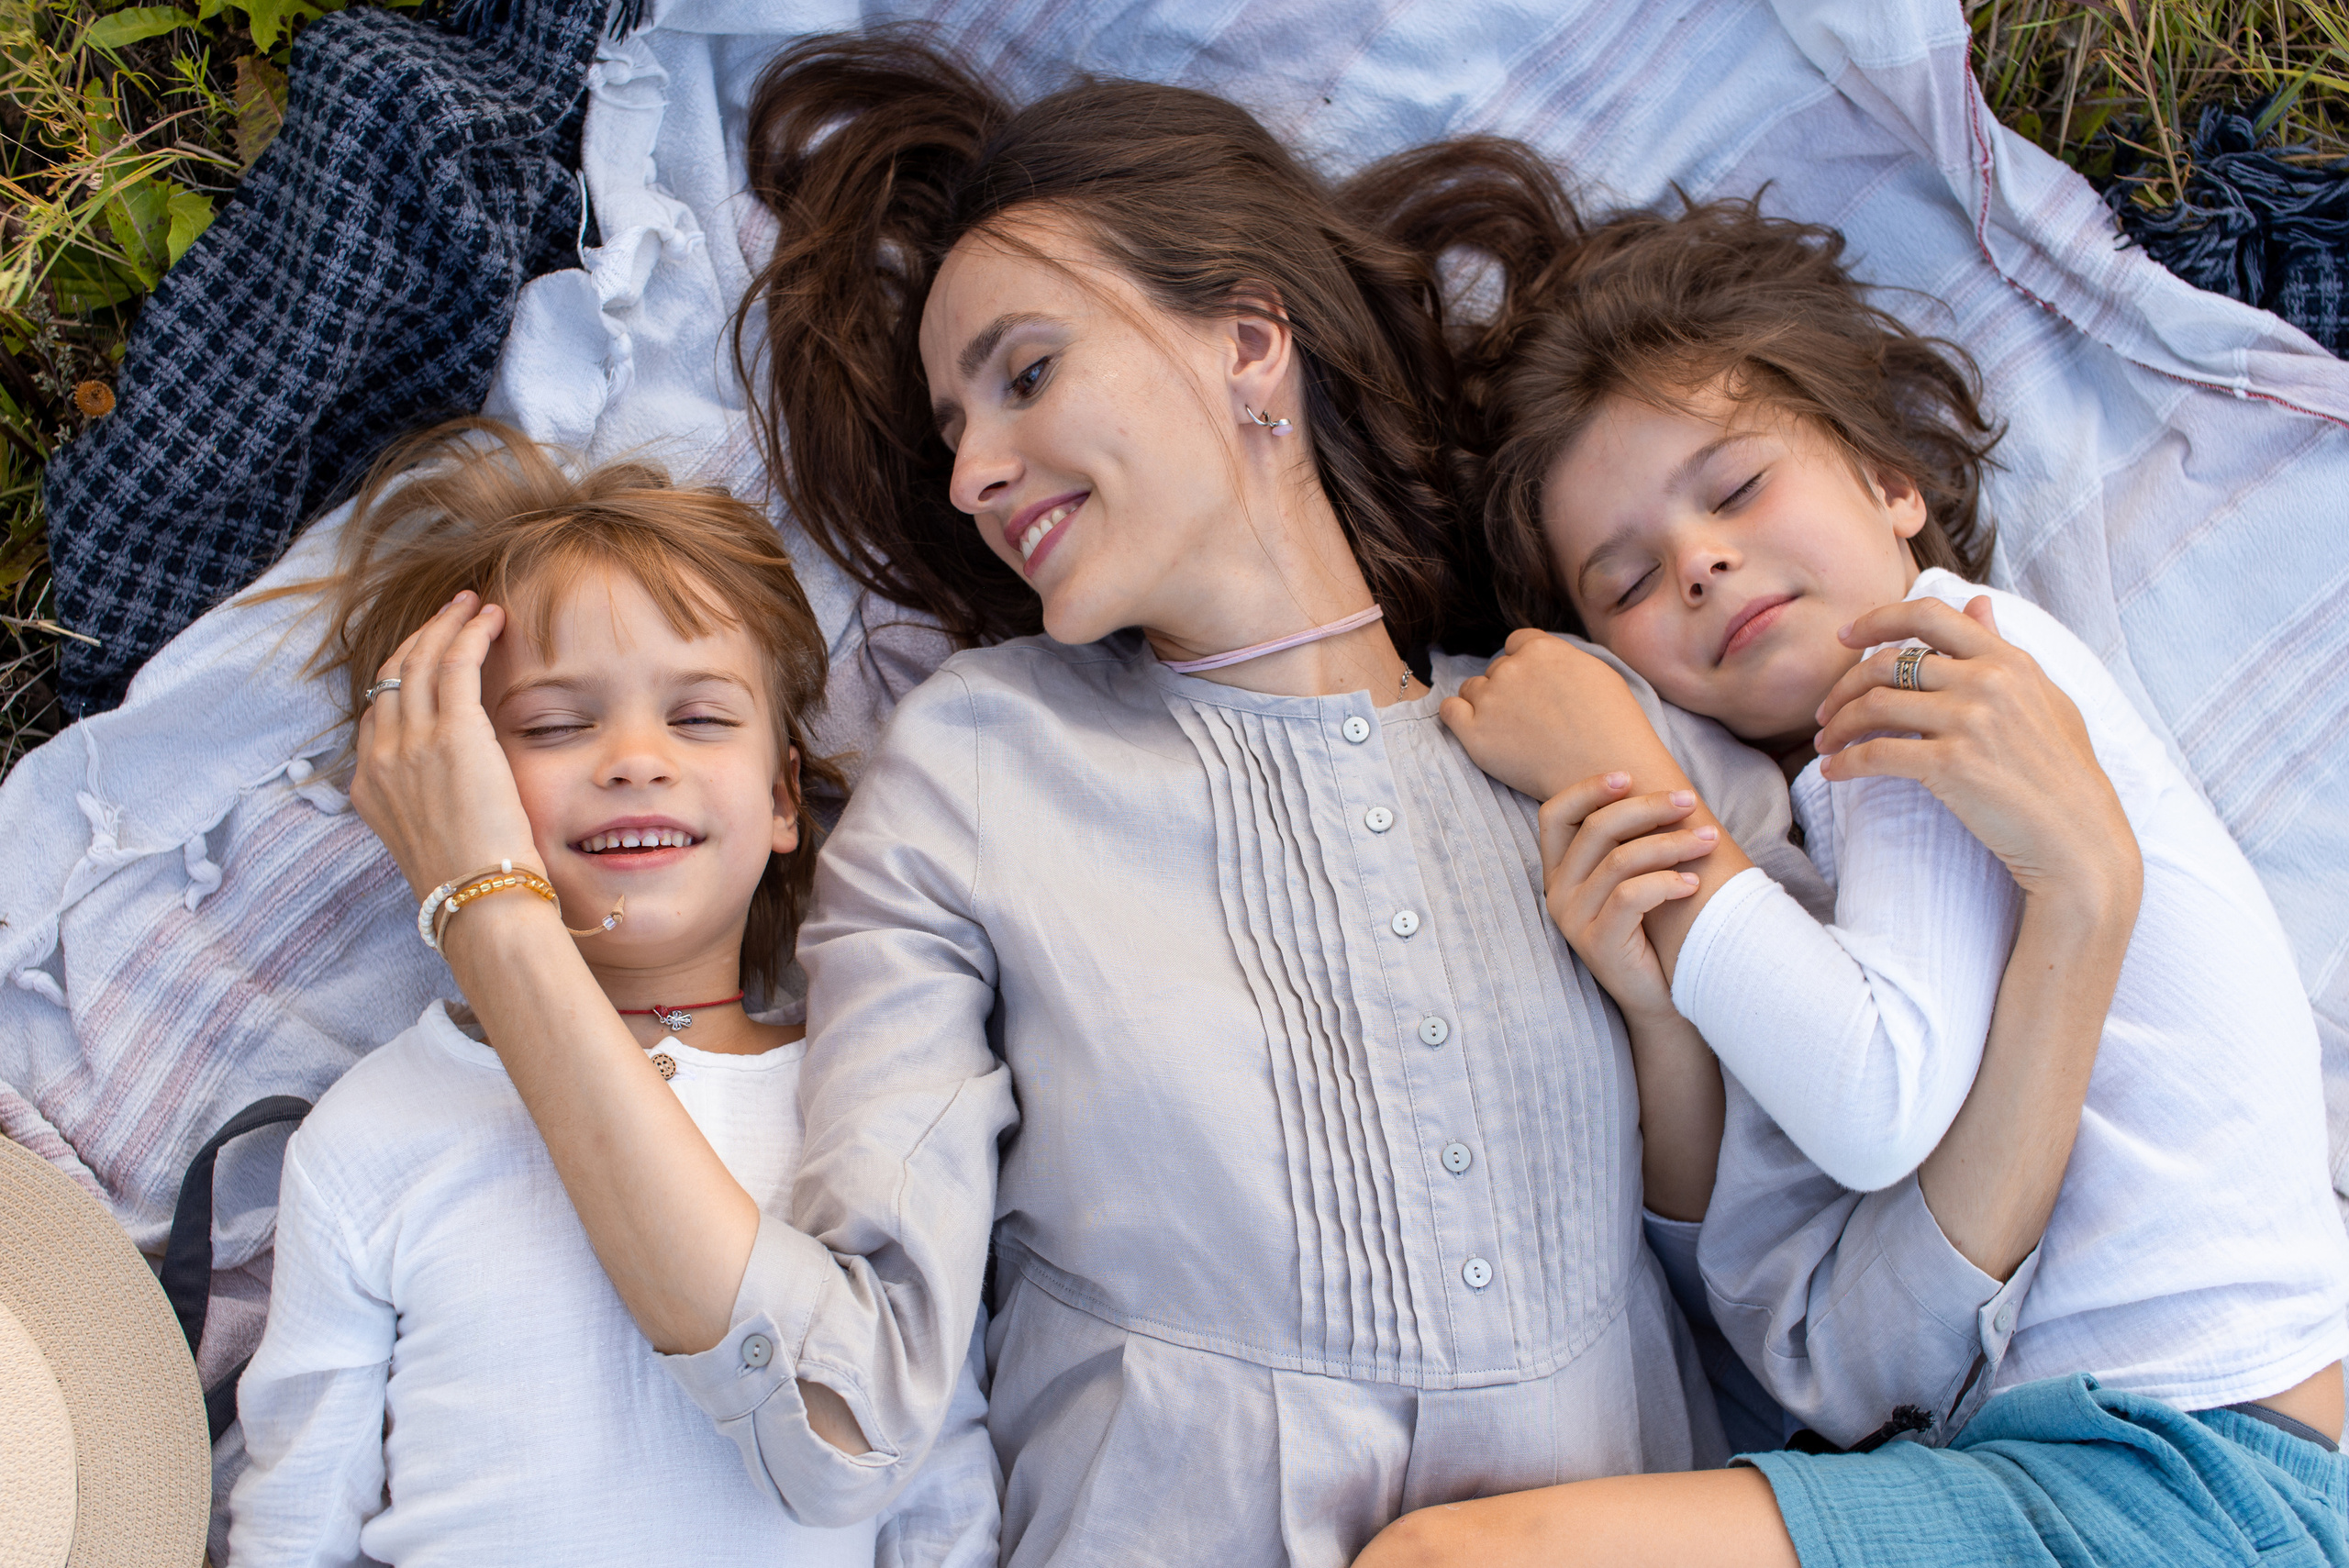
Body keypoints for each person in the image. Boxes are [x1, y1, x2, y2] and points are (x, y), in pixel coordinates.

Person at [343, 38, 2142, 1566]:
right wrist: (489, 912)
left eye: (1026, 371)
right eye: (953, 420)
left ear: (1249, 345)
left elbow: (1840, 1357)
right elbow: (836, 1406)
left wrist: (2073, 908)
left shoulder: (1586, 726)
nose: (971, 471)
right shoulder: (974, 766)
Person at [1358, 178, 2349, 1566]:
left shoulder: (1936, 672)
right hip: (2133, 1463)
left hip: (2197, 1471)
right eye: (1626, 581)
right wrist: (1662, 1006)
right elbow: (1797, 1328)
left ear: (1893, 484)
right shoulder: (1819, 818)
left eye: (1737, 486)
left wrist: (1625, 786)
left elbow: (1879, 1102)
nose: (1699, 560)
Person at [227, 420, 997, 1568]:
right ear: (452, 786)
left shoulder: (864, 1099)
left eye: (698, 716)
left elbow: (935, 1476)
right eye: (552, 723)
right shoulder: (374, 1127)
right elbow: (293, 1514)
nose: (636, 755)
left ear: (785, 797)